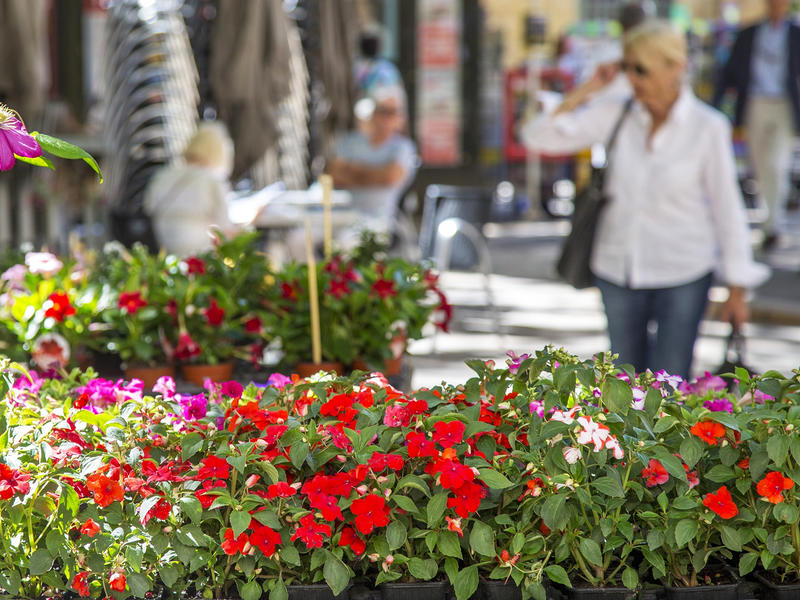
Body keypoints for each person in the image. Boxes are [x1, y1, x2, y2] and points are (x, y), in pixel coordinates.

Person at [522, 19, 769, 378]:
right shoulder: (618, 112)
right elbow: (537, 137)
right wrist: (588, 90)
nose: (632, 79)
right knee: (623, 388)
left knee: (670, 387)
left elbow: (727, 209)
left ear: (675, 67)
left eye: (640, 68)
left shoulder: (707, 126)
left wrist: (737, 288)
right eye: (626, 68)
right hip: (618, 268)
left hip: (683, 272)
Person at [712, 0, 800, 251]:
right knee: (760, 164)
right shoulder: (749, 33)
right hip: (755, 102)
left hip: (784, 104)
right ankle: (768, 216)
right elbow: (728, 72)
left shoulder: (795, 33)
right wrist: (716, 107)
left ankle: (773, 224)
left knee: (776, 164)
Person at [326, 85, 417, 242]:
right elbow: (332, 175)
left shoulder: (403, 147)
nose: (387, 118)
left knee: (347, 242)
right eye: (383, 111)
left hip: (379, 220)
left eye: (393, 112)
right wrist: (374, 175)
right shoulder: (351, 141)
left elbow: (390, 178)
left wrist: (352, 171)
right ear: (374, 113)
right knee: (299, 239)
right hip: (341, 213)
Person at [144, 121, 244, 256]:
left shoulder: (163, 174)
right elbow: (225, 225)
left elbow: (148, 207)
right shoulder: (212, 179)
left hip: (164, 244)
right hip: (200, 251)